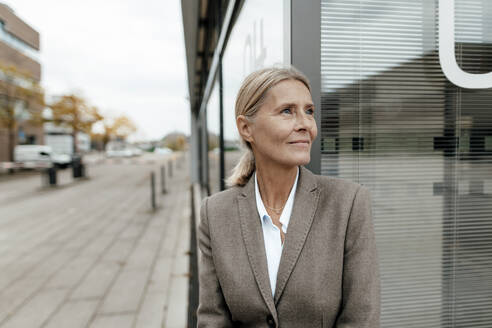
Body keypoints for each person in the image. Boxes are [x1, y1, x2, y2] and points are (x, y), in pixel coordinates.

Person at [197, 66, 380, 327]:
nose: (305, 124)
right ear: (246, 128)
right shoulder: (215, 214)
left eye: (309, 112)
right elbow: (212, 320)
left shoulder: (348, 204)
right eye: (287, 111)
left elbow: (362, 318)